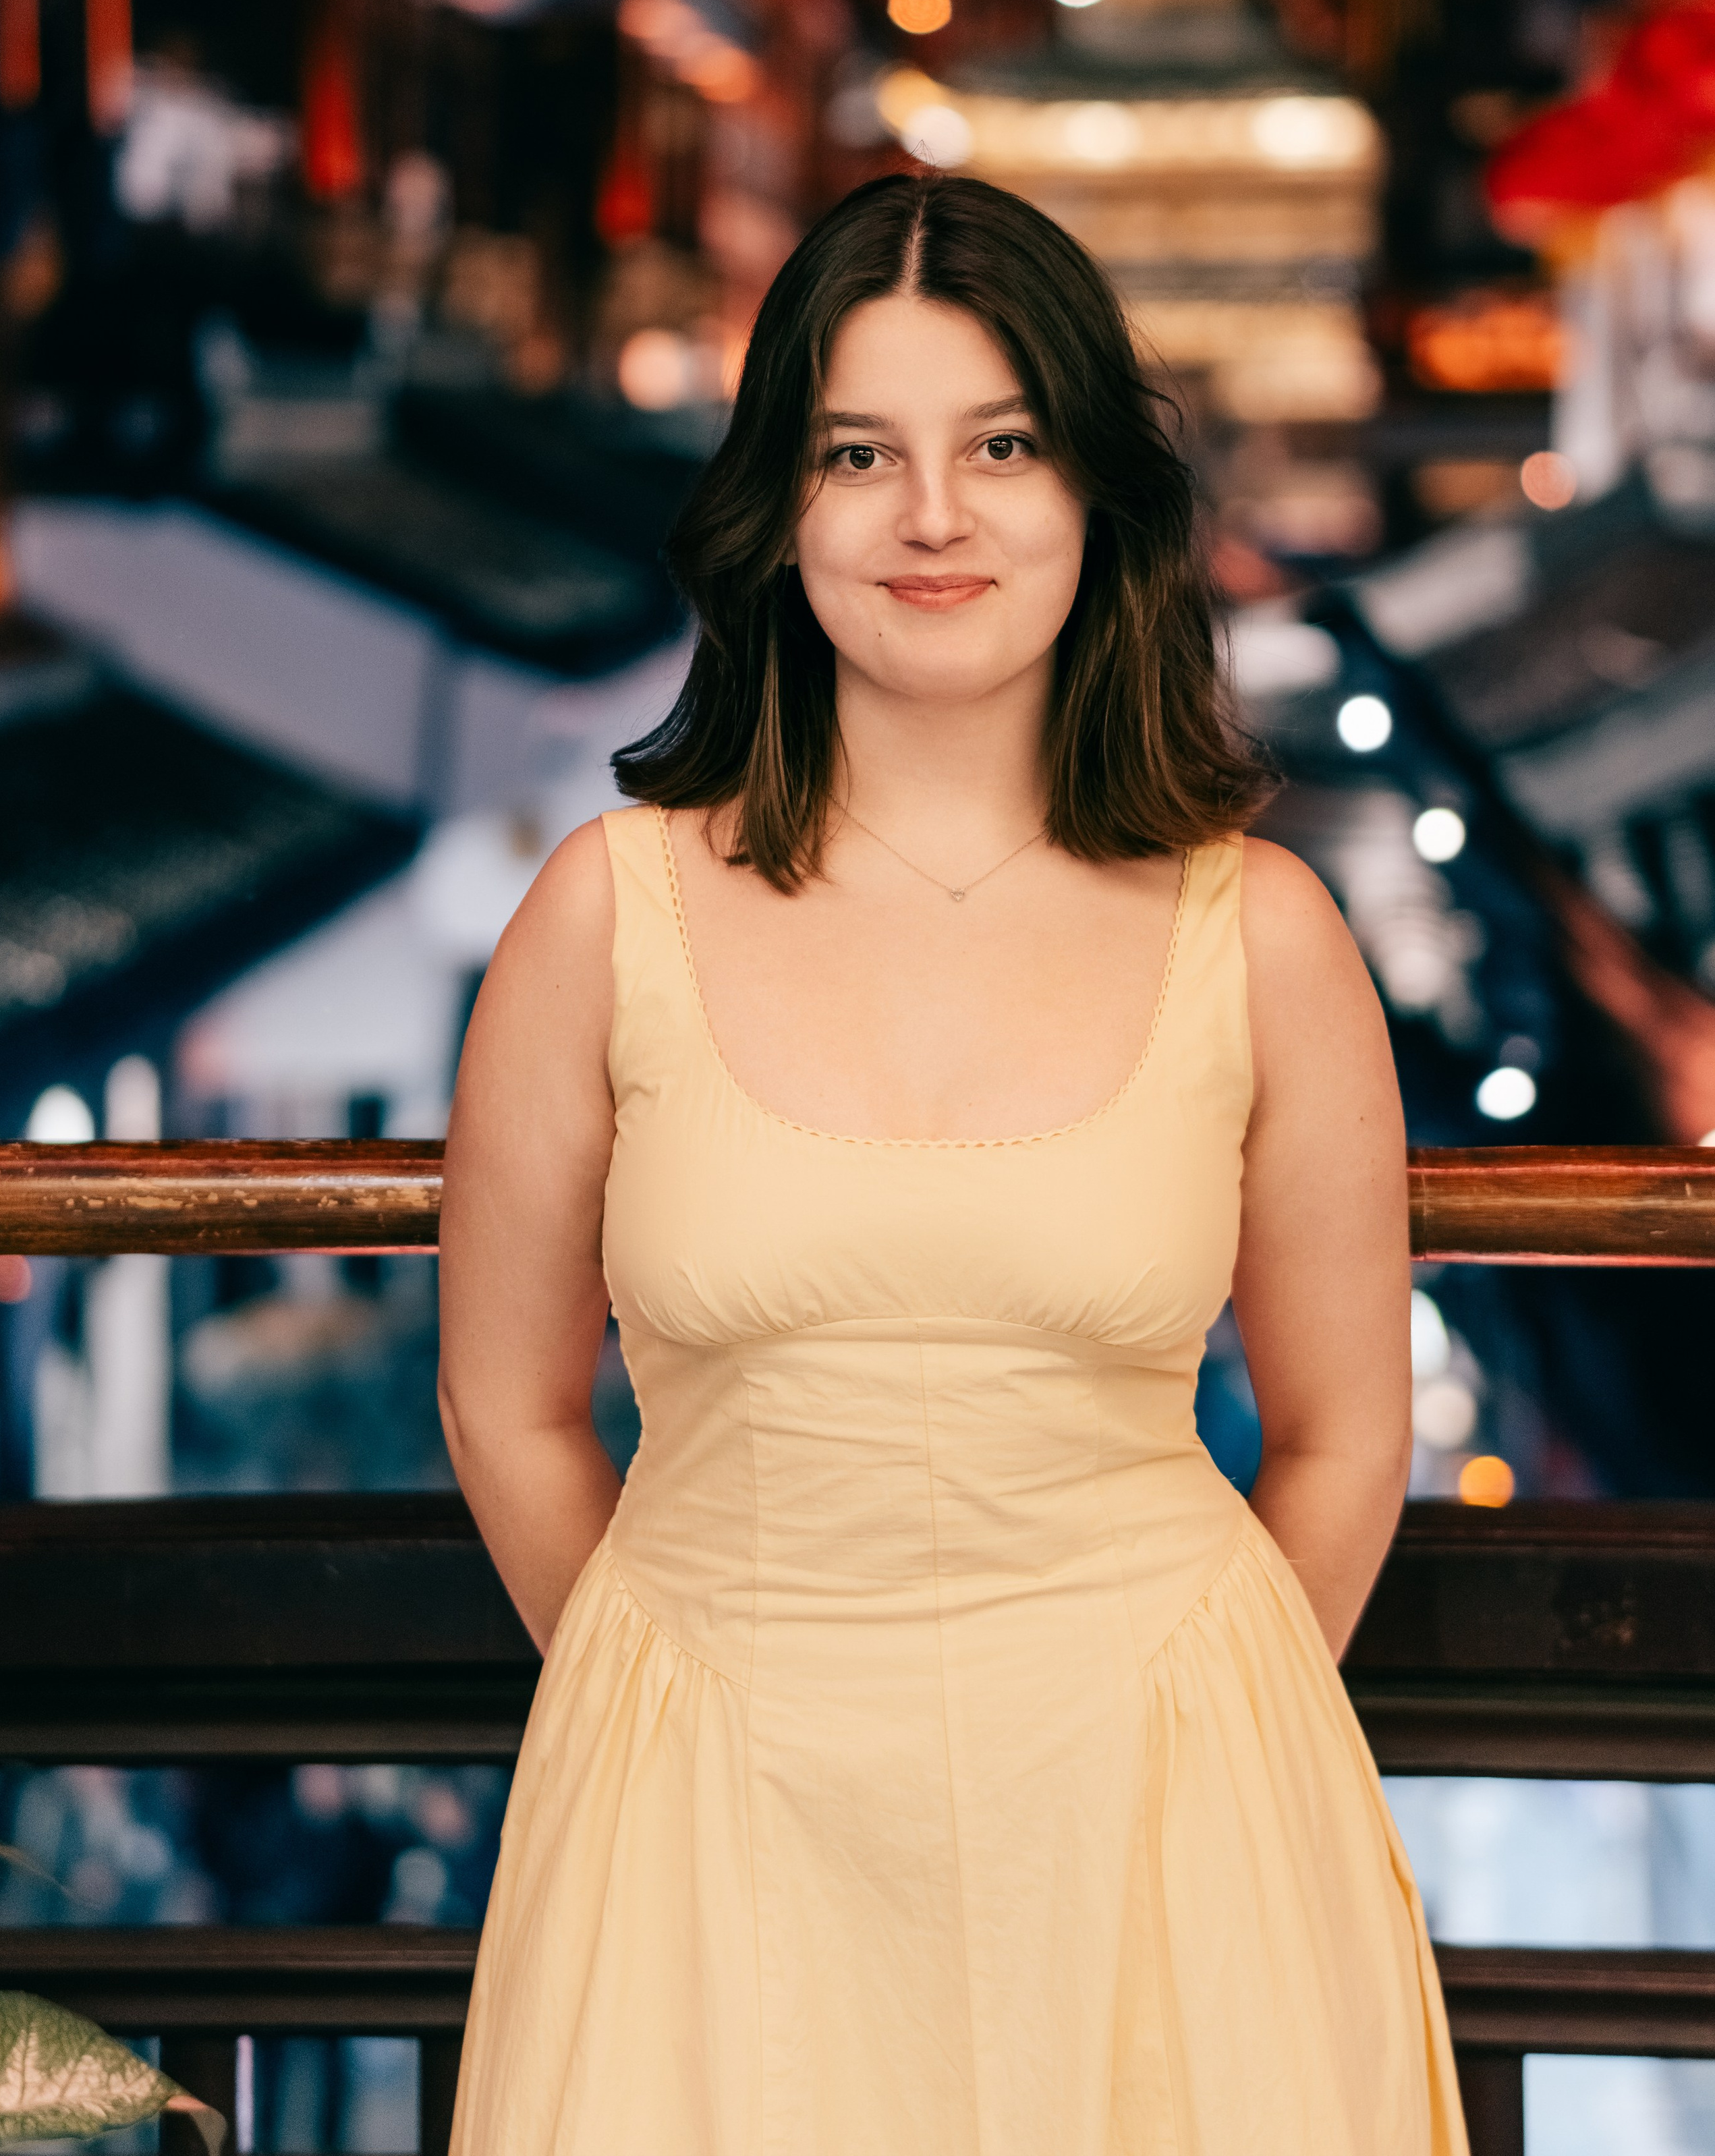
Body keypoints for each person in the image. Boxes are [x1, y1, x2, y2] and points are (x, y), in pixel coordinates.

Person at [439, 172, 1466, 2155]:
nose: (934, 514)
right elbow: (504, 1407)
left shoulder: (1259, 935)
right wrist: (679, 1700)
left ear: (1094, 495)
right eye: (859, 452)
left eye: (1002, 444)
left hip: (1168, 1828)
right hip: (706, 1825)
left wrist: (1199, 1733)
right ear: (779, 509)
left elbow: (1346, 1438)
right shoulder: (602, 914)